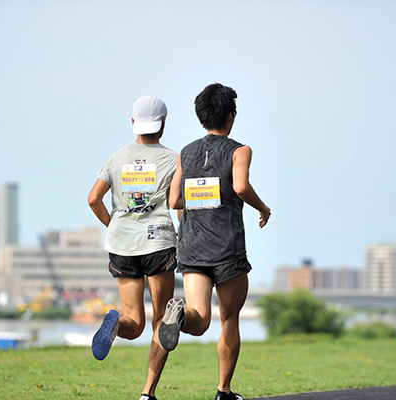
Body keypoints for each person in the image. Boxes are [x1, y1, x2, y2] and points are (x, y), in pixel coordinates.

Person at [159, 83, 271, 400]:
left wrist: (200, 197)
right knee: (228, 318)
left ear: (202, 116)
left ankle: (178, 315)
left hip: (192, 246)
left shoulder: (186, 153)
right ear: (231, 116)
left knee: (198, 318)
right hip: (227, 249)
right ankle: (224, 391)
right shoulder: (239, 150)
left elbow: (175, 200)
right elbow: (240, 186)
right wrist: (263, 207)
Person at [88, 95, 179, 400]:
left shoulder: (116, 158)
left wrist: (112, 225)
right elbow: (179, 202)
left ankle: (116, 323)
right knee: (160, 320)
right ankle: (148, 392)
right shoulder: (173, 159)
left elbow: (93, 199)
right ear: (163, 123)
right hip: (158, 242)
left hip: (122, 244)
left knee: (134, 322)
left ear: (133, 124)